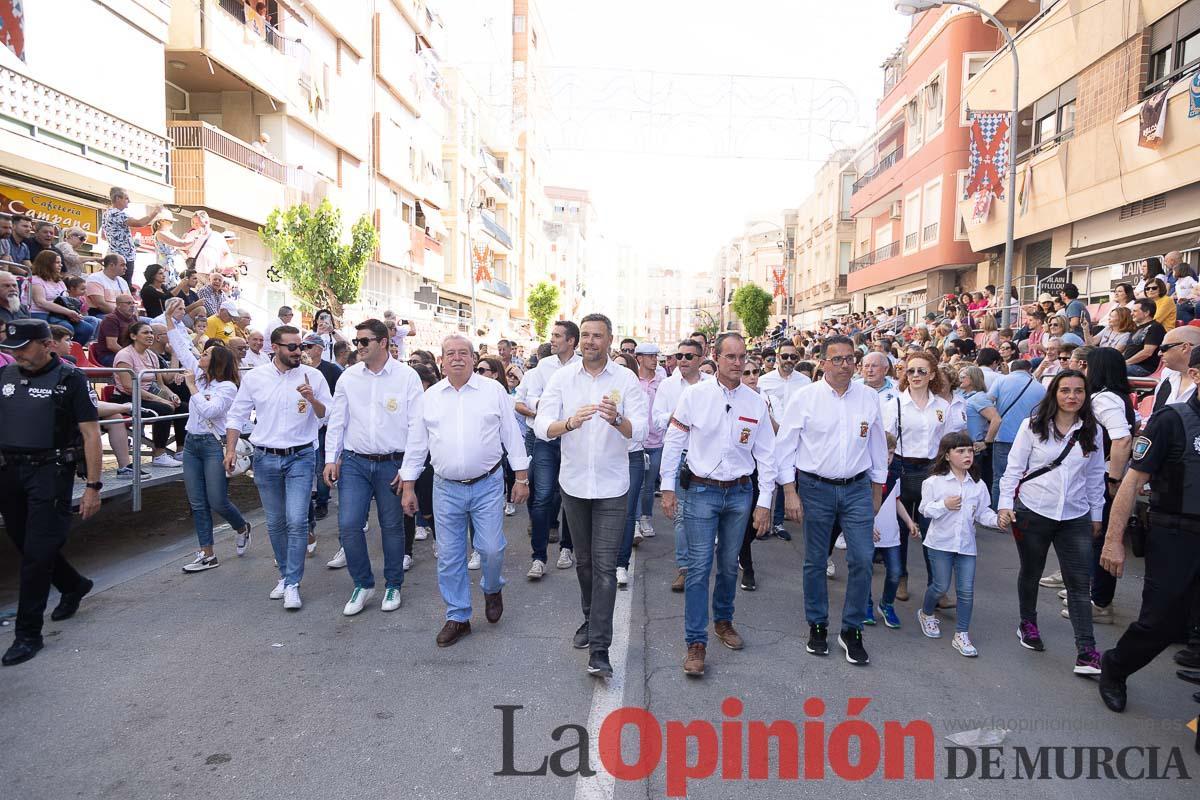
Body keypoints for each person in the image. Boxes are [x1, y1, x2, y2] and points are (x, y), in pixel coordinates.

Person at [536, 314, 648, 679]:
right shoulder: (562, 378)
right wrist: (569, 423)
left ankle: (600, 649)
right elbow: (542, 426)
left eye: (597, 335)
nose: (589, 341)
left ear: (610, 340)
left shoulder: (625, 379)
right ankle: (590, 618)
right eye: (585, 335)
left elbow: (640, 430)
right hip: (574, 485)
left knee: (604, 567)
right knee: (583, 563)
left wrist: (617, 420)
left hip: (613, 488)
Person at [404, 334, 530, 646]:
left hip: (487, 483)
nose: (457, 358)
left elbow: (511, 434)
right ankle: (458, 616)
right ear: (442, 360)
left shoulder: (493, 391)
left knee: (491, 548)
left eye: (463, 353)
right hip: (445, 488)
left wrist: (521, 478)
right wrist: (408, 485)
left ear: (473, 359)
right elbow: (417, 444)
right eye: (451, 353)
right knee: (449, 555)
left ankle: (492, 587)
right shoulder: (430, 397)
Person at [661, 331, 773, 677]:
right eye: (731, 357)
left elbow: (767, 454)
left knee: (728, 565)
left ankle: (723, 621)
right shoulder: (695, 395)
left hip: (740, 493)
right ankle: (696, 642)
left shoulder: (756, 402)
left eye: (742, 357)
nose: (738, 363)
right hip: (700, 492)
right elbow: (674, 441)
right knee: (698, 567)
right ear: (716, 357)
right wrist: (667, 487)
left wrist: (765, 501)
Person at [1097, 345, 1200, 712]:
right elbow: (1132, 482)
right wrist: (1113, 541)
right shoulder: (1171, 421)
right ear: (1195, 375)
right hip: (1175, 535)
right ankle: (1116, 667)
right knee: (1160, 624)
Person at [776, 335, 887, 665]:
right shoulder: (805, 398)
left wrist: (877, 492)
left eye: (850, 358)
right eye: (837, 359)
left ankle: (851, 629)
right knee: (815, 560)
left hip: (857, 488)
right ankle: (818, 624)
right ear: (823, 362)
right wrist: (789, 491)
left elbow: (877, 447)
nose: (845, 365)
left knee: (863, 559)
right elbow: (785, 448)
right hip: (815, 488)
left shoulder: (869, 398)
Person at [0, 319, 103, 666]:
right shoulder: (5, 376)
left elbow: (91, 434)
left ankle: (28, 634)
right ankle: (73, 585)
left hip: (51, 471)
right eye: (11, 349)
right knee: (25, 544)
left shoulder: (71, 379)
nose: (16, 355)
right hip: (10, 471)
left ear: (47, 344)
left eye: (23, 348)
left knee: (36, 554)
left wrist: (93, 487)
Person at [997, 370, 1106, 676]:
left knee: (1079, 583)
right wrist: (1005, 505)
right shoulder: (1032, 426)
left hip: (1075, 515)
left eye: (1078, 391)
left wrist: (1097, 514)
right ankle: (1028, 624)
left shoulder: (1093, 431)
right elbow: (1013, 468)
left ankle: (1086, 651)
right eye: (1065, 390)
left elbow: (1095, 475)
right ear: (1054, 394)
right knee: (1031, 571)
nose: (1072, 396)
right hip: (1033, 511)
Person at [225, 325, 332, 611]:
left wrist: (312, 399)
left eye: (302, 346)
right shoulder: (255, 377)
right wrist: (231, 449)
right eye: (293, 347)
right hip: (265, 457)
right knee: (275, 522)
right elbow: (236, 414)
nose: (299, 352)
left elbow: (328, 414)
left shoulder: (314, 376)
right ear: (275, 348)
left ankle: (293, 583)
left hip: (301, 456)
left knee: (296, 521)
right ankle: (285, 576)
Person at [323, 320, 426, 616]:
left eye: (364, 341)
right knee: (348, 524)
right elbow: (337, 420)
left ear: (383, 342)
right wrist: (331, 457)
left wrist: (409, 471)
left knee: (392, 526)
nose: (359, 346)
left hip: (392, 463)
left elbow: (417, 427)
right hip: (355, 461)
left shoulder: (407, 377)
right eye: (357, 341)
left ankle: (393, 584)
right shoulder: (349, 377)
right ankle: (363, 583)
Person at [882, 351, 966, 602]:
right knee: (899, 529)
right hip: (900, 468)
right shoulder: (895, 404)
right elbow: (885, 441)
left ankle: (936, 587)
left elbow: (949, 442)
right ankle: (900, 578)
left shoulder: (942, 406)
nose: (915, 375)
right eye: (911, 371)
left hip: (931, 470)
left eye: (921, 371)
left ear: (932, 374)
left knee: (933, 530)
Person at [169, 324, 251, 573]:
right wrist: (170, 319)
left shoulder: (227, 387)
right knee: (197, 501)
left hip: (214, 444)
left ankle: (241, 527)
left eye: (205, 354)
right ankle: (207, 553)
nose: (200, 355)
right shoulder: (199, 374)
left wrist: (192, 387)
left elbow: (210, 411)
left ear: (216, 362)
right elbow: (181, 348)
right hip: (192, 443)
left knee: (217, 500)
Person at [916, 431, 1000, 657]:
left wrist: (997, 520)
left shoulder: (977, 484)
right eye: (960, 451)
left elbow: (982, 513)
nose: (967, 455)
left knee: (966, 591)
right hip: (939, 544)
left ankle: (961, 633)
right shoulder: (934, 482)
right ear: (947, 455)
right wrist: (944, 505)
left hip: (966, 546)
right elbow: (924, 509)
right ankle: (926, 613)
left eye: (970, 451)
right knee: (940, 586)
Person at [517, 321, 580, 579]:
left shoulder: (582, 366)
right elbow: (529, 398)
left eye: (557, 336)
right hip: (546, 438)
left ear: (571, 341)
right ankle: (538, 558)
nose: (551, 340)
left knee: (571, 497)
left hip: (574, 439)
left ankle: (567, 548)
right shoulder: (543, 366)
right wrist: (549, 401)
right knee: (542, 496)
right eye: (552, 335)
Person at [1078, 347, 1136, 626]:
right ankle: (1093, 593)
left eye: (1088, 365)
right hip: (1104, 475)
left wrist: (1113, 479)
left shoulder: (1104, 399)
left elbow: (1122, 439)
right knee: (1094, 536)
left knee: (1099, 537)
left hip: (1103, 476)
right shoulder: (1115, 397)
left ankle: (1100, 601)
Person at [651, 337, 715, 589]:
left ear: (701, 359)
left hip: (707, 458)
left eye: (689, 356)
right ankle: (685, 568)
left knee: (707, 514)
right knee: (681, 516)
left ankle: (703, 565)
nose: (683, 360)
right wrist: (680, 414)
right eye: (679, 356)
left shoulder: (712, 383)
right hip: (679, 457)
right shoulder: (667, 386)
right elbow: (657, 421)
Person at [987, 359, 1047, 506]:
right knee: (1025, 478)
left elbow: (988, 400)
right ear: (1029, 370)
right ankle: (1019, 510)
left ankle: (998, 512)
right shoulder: (1040, 387)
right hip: (1030, 439)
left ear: (1012, 369)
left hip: (1003, 436)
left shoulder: (1001, 380)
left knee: (1000, 478)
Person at [302, 332, 342, 521]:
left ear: (319, 349)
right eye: (303, 346)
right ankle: (309, 501)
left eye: (309, 346)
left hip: (326, 424)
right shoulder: (298, 370)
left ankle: (322, 501)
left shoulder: (331, 370)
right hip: (305, 425)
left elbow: (339, 396)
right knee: (308, 466)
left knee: (321, 464)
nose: (305, 350)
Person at [28, 250, 96, 344]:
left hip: (59, 314)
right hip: (40, 313)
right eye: (57, 262)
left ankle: (71, 350)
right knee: (66, 328)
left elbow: (66, 301)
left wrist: (74, 314)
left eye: (60, 262)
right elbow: (41, 302)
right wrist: (68, 312)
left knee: (87, 328)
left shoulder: (59, 281)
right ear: (47, 263)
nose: (61, 265)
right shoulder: (35, 280)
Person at [632, 343, 664, 542]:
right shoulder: (633, 380)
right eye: (650, 356)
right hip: (637, 440)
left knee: (650, 484)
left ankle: (646, 517)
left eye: (655, 356)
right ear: (640, 358)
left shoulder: (662, 381)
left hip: (656, 441)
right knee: (637, 483)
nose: (654, 359)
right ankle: (635, 522)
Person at [102, 188, 162, 282]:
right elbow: (140, 223)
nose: (129, 201)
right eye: (126, 198)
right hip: (123, 257)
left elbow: (103, 235)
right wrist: (155, 212)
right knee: (124, 285)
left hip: (114, 255)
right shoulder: (117, 213)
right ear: (118, 198)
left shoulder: (106, 213)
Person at [960, 366, 1001, 489]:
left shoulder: (979, 397)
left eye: (963, 377)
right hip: (965, 447)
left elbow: (996, 419)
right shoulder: (963, 396)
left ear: (973, 379)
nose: (959, 379)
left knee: (976, 485)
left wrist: (986, 442)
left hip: (976, 450)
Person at [1123, 298, 1167, 377]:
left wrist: (1125, 363)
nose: (1131, 314)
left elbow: (1147, 353)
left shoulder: (1155, 327)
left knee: (1111, 369)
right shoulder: (1136, 328)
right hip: (1131, 365)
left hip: (1144, 368)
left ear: (1146, 313)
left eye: (1135, 311)